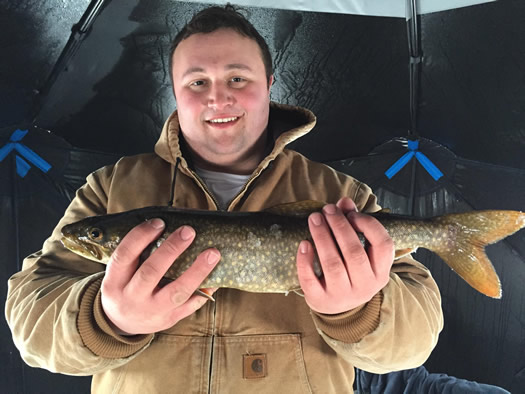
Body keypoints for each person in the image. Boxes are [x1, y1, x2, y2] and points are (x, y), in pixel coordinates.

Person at [6, 4, 443, 393]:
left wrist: (359, 311)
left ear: (269, 84)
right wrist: (107, 320)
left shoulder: (342, 196)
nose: (218, 95)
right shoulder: (110, 188)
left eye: (237, 77)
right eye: (197, 81)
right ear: (174, 92)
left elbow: (416, 340)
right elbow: (29, 317)